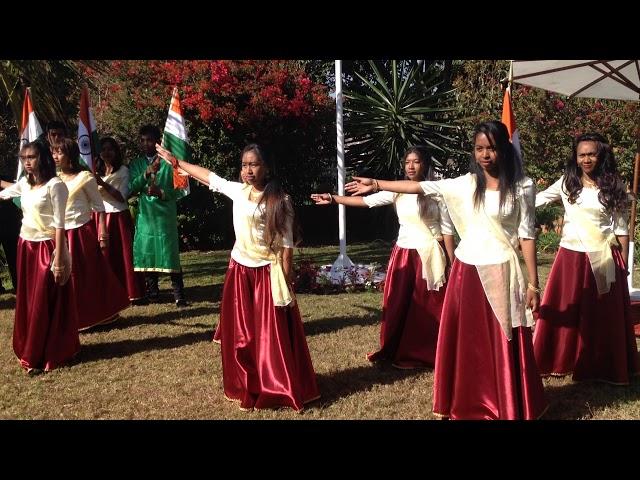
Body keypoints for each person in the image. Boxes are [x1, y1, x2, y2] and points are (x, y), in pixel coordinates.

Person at [346, 120, 547, 420]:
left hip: (503, 272)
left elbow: (527, 235)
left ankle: (506, 398)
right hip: (467, 271)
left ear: (504, 148)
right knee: (471, 340)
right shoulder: (463, 185)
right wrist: (377, 184)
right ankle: (469, 398)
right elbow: (418, 186)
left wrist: (533, 283)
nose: (485, 155)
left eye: (491, 148)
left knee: (503, 338)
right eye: (479, 148)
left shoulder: (523, 186)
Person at [156, 142, 320, 411]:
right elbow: (209, 176)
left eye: (254, 164)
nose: (248, 170)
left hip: (268, 276)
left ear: (266, 168)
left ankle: (277, 386)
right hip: (240, 272)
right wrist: (177, 163)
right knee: (243, 336)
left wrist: (287, 285)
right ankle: (248, 385)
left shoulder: (280, 201)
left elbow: (287, 249)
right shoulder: (238, 191)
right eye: (244, 165)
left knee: (270, 338)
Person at [311, 146, 455, 369]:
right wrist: (332, 198)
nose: (410, 166)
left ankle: (425, 353)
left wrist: (451, 263)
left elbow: (447, 231)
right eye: (407, 162)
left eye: (416, 162)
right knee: (399, 305)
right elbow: (365, 202)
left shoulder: (436, 192)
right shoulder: (396, 190)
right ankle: (395, 348)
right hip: (404, 254)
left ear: (425, 164)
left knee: (425, 309)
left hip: (430, 257)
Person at [534, 133, 640, 384]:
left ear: (601, 155)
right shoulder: (566, 184)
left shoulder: (612, 187)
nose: (586, 159)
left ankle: (603, 364)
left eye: (591, 154)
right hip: (570, 257)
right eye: (581, 154)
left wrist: (623, 266)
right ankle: (562, 359)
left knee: (602, 314)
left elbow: (621, 229)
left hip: (603, 258)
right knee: (568, 310)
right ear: (576, 157)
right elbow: (536, 200)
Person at [0, 140, 79, 374]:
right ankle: (32, 350)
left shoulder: (55, 185)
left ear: (42, 158)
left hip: (47, 248)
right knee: (29, 300)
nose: (27, 162)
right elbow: (5, 192)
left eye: (31, 157)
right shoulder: (25, 184)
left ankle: (48, 351)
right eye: (24, 158)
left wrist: (59, 256)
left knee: (45, 300)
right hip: (26, 247)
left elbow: (60, 223)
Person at [53, 138, 129, 330]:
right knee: (66, 277)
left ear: (70, 155)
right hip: (61, 233)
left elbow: (98, 205)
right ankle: (74, 317)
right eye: (53, 152)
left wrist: (102, 232)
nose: (55, 157)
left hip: (81, 231)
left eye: (59, 153)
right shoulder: (55, 178)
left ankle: (96, 315)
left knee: (86, 276)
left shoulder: (85, 177)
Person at [128, 125, 187, 307]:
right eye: (143, 140)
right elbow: (131, 188)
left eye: (150, 140)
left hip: (165, 216)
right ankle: (153, 292)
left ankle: (179, 295)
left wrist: (161, 192)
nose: (146, 144)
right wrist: (146, 172)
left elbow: (180, 189)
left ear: (158, 142)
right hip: (145, 216)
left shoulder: (170, 164)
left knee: (170, 253)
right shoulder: (136, 164)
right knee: (148, 253)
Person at [94, 137, 145, 302]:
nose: (106, 153)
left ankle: (130, 290)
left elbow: (122, 197)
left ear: (116, 152)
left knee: (123, 255)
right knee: (104, 256)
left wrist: (103, 183)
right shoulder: (94, 171)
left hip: (117, 216)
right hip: (99, 216)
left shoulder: (123, 171)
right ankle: (108, 291)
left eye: (110, 149)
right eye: (103, 149)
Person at [0, 173, 21, 292]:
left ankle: (18, 285)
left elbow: (18, 187)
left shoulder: (6, 175)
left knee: (13, 255)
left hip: (9, 220)